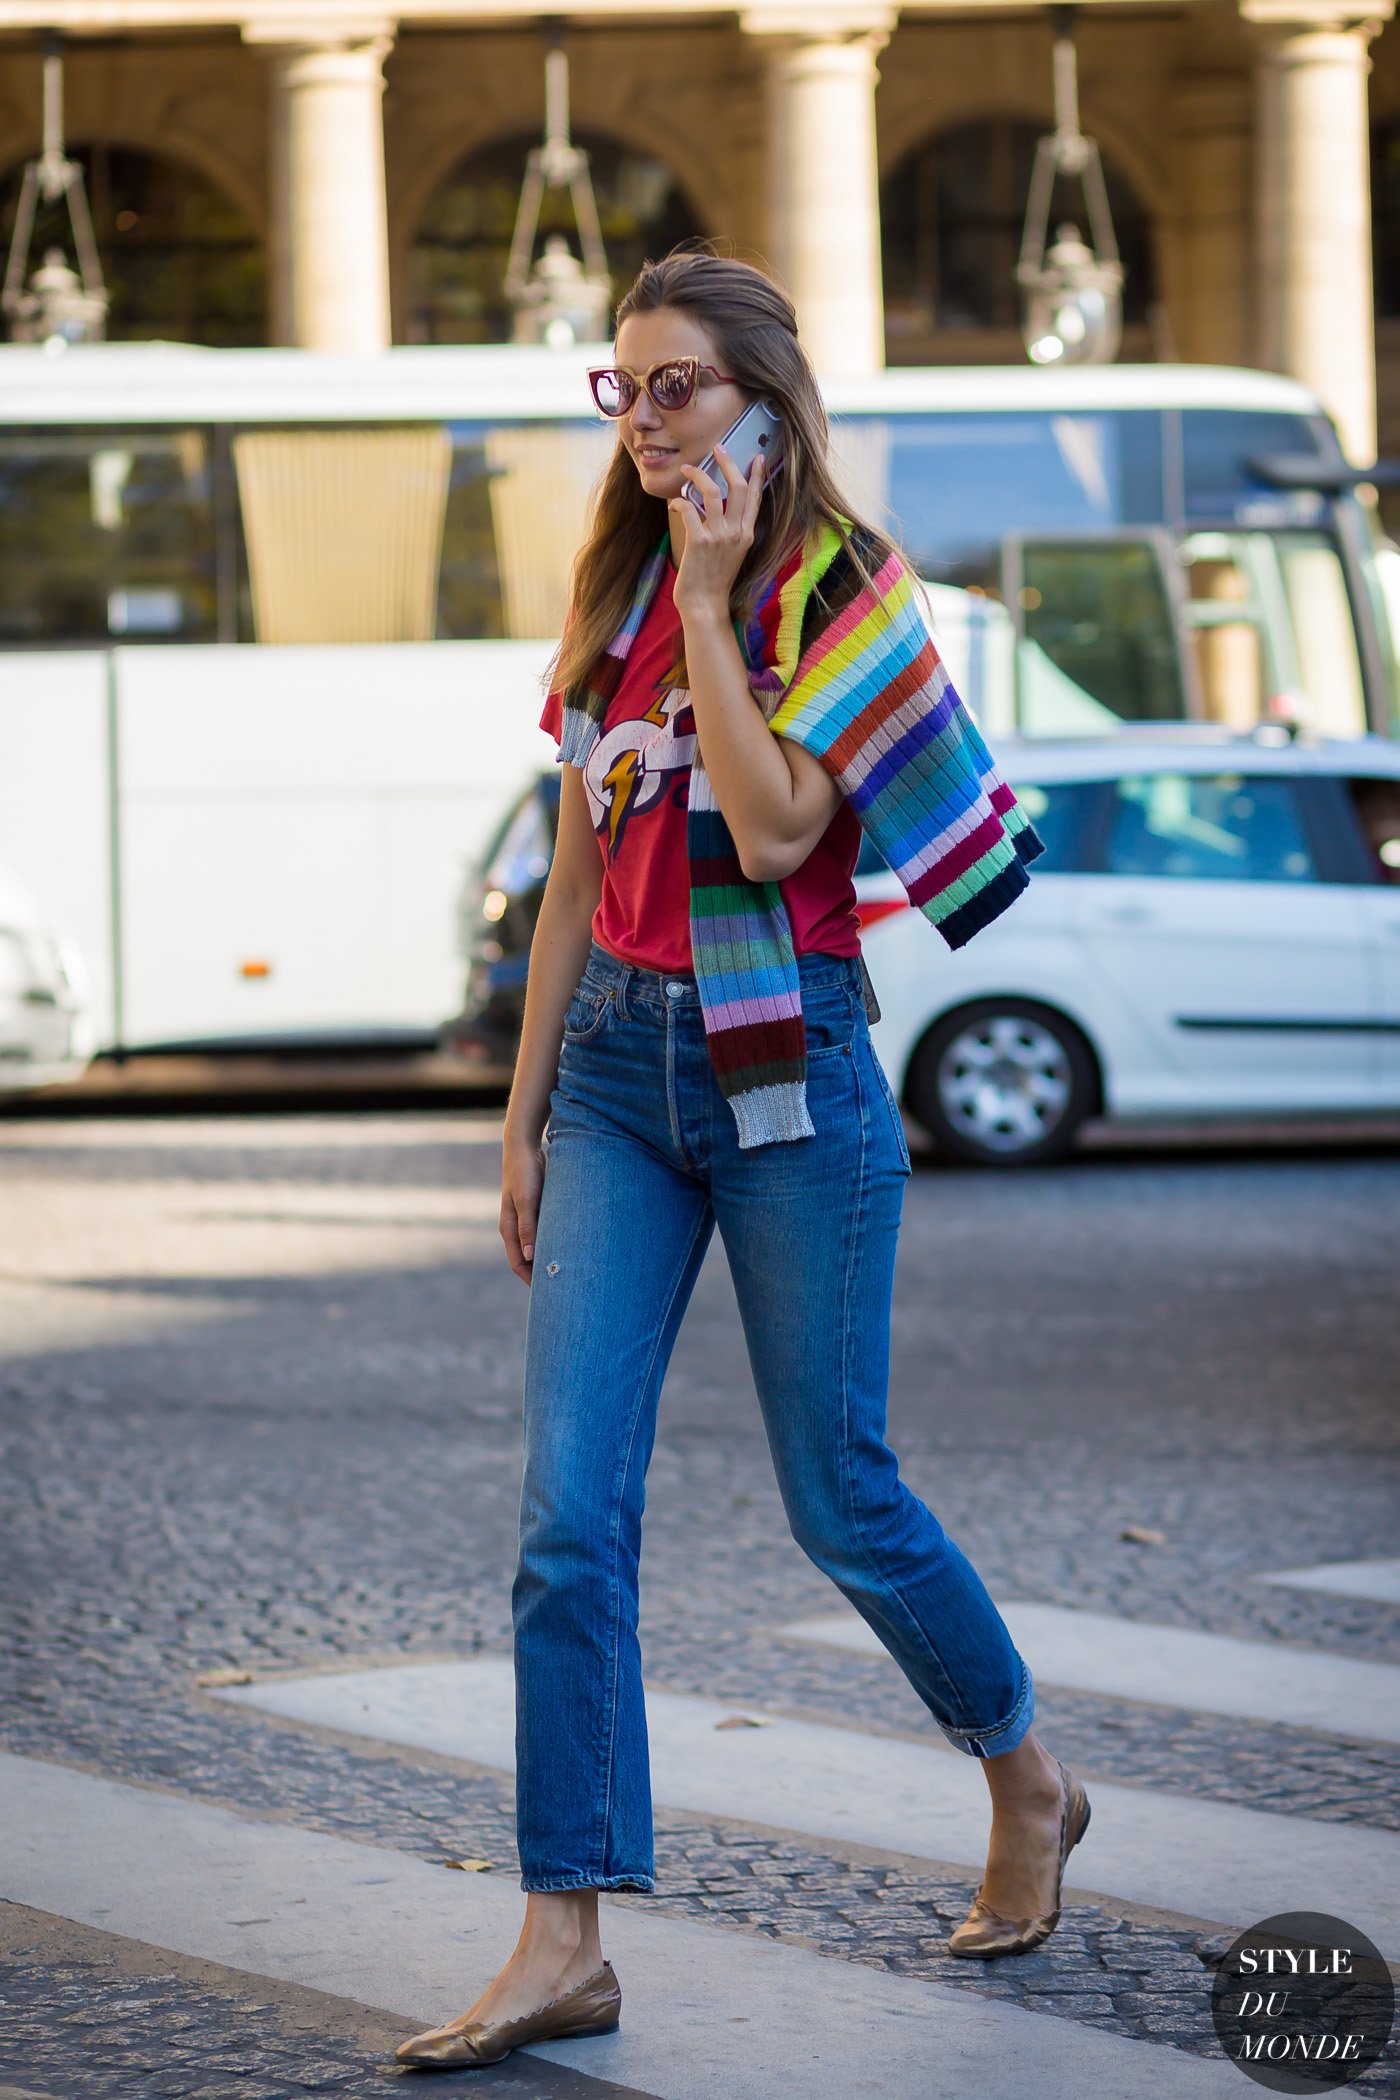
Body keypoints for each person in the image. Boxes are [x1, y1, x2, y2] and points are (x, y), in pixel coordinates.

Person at [394, 248, 1090, 2072]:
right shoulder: (610, 594)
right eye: (617, 389)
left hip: (794, 1087)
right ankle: (564, 1934)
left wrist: (717, 601)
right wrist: (525, 1109)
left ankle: (1028, 1779)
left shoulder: (843, 594)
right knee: (567, 1520)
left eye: (678, 385)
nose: (641, 424)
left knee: (839, 1498)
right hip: (624, 1076)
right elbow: (570, 882)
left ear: (768, 400)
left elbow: (786, 839)